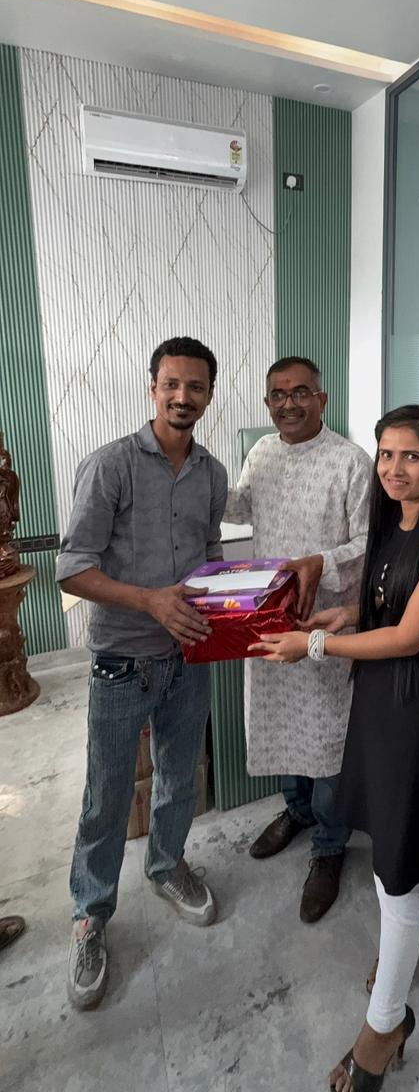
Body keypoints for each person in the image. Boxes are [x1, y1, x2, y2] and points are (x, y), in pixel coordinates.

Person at [253, 405, 419, 1091]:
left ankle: (385, 1027)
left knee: (395, 870)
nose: (394, 468)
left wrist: (315, 643)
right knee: (390, 836)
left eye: (411, 456)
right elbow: (388, 605)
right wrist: (344, 614)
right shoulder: (391, 522)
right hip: (376, 703)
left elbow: (411, 636)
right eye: (385, 454)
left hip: (412, 710)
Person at [57, 337, 228, 1010]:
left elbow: (210, 552)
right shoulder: (111, 465)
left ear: (209, 394)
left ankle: (166, 865)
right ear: (152, 387)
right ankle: (90, 914)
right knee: (105, 795)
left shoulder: (212, 473)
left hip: (189, 656)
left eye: (196, 386)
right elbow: (73, 568)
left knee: (180, 777)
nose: (183, 397)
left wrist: (231, 601)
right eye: (172, 384)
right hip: (122, 660)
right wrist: (151, 600)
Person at [225, 357, 373, 922]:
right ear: (267, 403)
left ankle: (330, 845)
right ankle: (297, 810)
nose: (289, 404)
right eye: (278, 395)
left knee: (328, 735)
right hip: (271, 619)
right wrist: (192, 477)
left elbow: (369, 541)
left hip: (327, 623)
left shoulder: (351, 462)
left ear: (322, 399)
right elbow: (240, 504)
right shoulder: (262, 452)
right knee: (283, 721)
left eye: (301, 393)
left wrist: (320, 561)